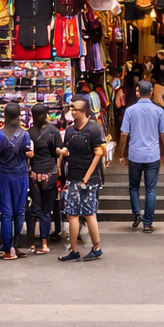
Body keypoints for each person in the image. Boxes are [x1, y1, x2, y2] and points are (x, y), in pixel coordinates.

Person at [119, 79, 164, 233]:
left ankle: (136, 215)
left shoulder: (129, 110)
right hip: (152, 156)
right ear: (151, 92)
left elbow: (123, 134)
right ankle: (148, 223)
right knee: (151, 189)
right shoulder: (159, 110)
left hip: (135, 155)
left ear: (137, 92)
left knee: (133, 186)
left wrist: (121, 154)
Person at [60, 98, 105, 261]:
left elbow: (99, 154)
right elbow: (69, 150)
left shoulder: (93, 129)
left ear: (84, 111)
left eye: (76, 109)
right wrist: (64, 153)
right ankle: (73, 249)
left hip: (89, 180)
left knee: (89, 213)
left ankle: (96, 247)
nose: (72, 111)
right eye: (71, 108)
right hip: (73, 177)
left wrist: (86, 177)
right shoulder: (70, 131)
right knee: (72, 214)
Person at [0, 102, 33, 259]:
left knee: (6, 213)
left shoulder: (0, 134)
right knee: (19, 211)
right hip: (21, 174)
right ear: (19, 115)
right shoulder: (25, 134)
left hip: (4, 174)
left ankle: (7, 247)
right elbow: (28, 153)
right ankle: (16, 244)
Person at [26, 103, 62, 254]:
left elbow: (27, 155)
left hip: (34, 174)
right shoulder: (54, 131)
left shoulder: (28, 133)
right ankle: (45, 244)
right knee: (47, 209)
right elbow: (58, 153)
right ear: (47, 115)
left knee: (35, 207)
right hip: (50, 173)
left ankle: (31, 243)